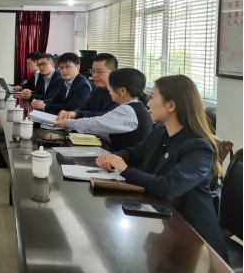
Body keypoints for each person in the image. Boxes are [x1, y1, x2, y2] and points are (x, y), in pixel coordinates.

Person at [96, 75, 228, 262]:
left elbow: (168, 187)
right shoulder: (160, 132)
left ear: (171, 105)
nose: (148, 103)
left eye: (153, 97)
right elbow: (134, 153)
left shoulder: (198, 147)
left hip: (195, 240)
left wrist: (125, 170)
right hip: (166, 223)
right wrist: (112, 158)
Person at [56, 68, 153, 151]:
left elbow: (96, 123)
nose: (108, 88)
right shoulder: (133, 107)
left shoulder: (127, 111)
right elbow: (106, 130)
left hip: (129, 163)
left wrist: (68, 123)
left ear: (122, 91)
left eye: (110, 85)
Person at [56, 53, 118, 120]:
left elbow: (107, 116)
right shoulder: (96, 90)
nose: (94, 75)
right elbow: (82, 108)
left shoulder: (120, 93)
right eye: (93, 71)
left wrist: (76, 114)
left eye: (100, 71)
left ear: (113, 72)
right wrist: (70, 113)